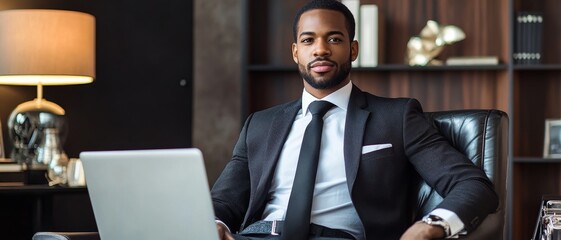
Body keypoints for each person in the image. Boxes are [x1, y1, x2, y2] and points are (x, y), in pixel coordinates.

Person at [211, 0, 498, 239]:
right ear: (296, 53)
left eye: (334, 39)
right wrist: (214, 225)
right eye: (308, 40)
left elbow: (473, 185)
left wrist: (431, 226)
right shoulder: (259, 125)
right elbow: (222, 202)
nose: (321, 49)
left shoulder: (396, 117)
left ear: (353, 49)